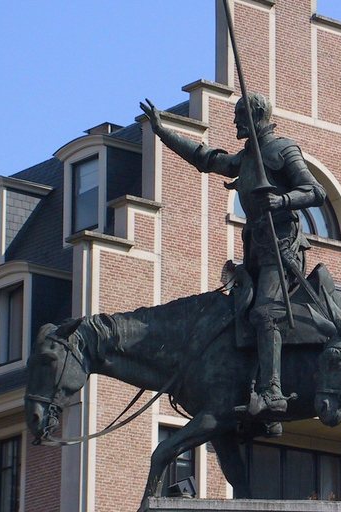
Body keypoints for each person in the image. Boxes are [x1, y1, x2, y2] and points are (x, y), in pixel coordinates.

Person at [140, 94, 326, 416]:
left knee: (266, 312)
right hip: (256, 249)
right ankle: (251, 391)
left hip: (282, 251)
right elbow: (206, 158)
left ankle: (273, 393)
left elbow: (316, 192)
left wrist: (282, 202)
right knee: (235, 316)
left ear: (257, 116)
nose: (236, 121)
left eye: (241, 115)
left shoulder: (283, 150)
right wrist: (162, 131)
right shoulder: (246, 158)